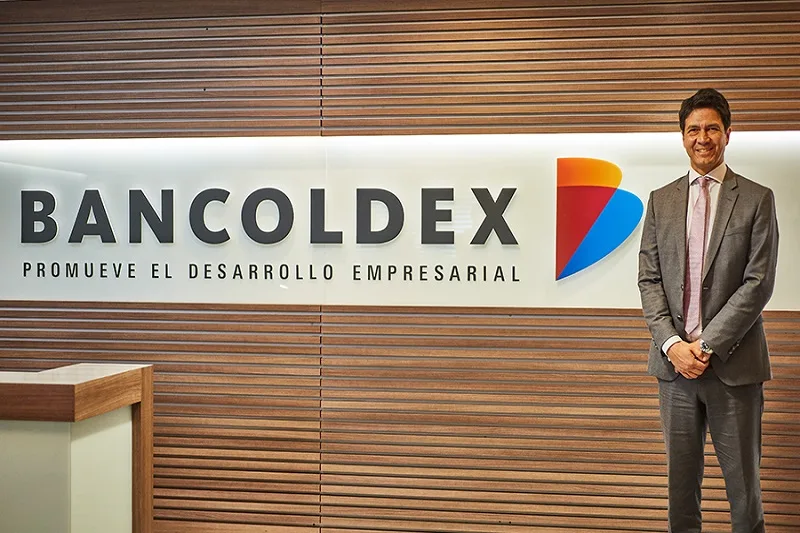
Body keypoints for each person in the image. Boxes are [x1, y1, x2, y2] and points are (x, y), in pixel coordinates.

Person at [637, 88, 779, 532]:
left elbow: (758, 283)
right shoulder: (660, 200)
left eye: (712, 128)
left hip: (733, 368)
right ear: (682, 136)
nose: (703, 138)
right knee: (680, 494)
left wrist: (707, 345)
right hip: (674, 371)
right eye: (693, 129)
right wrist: (672, 345)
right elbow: (649, 280)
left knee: (744, 494)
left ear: (728, 134)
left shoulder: (756, 198)